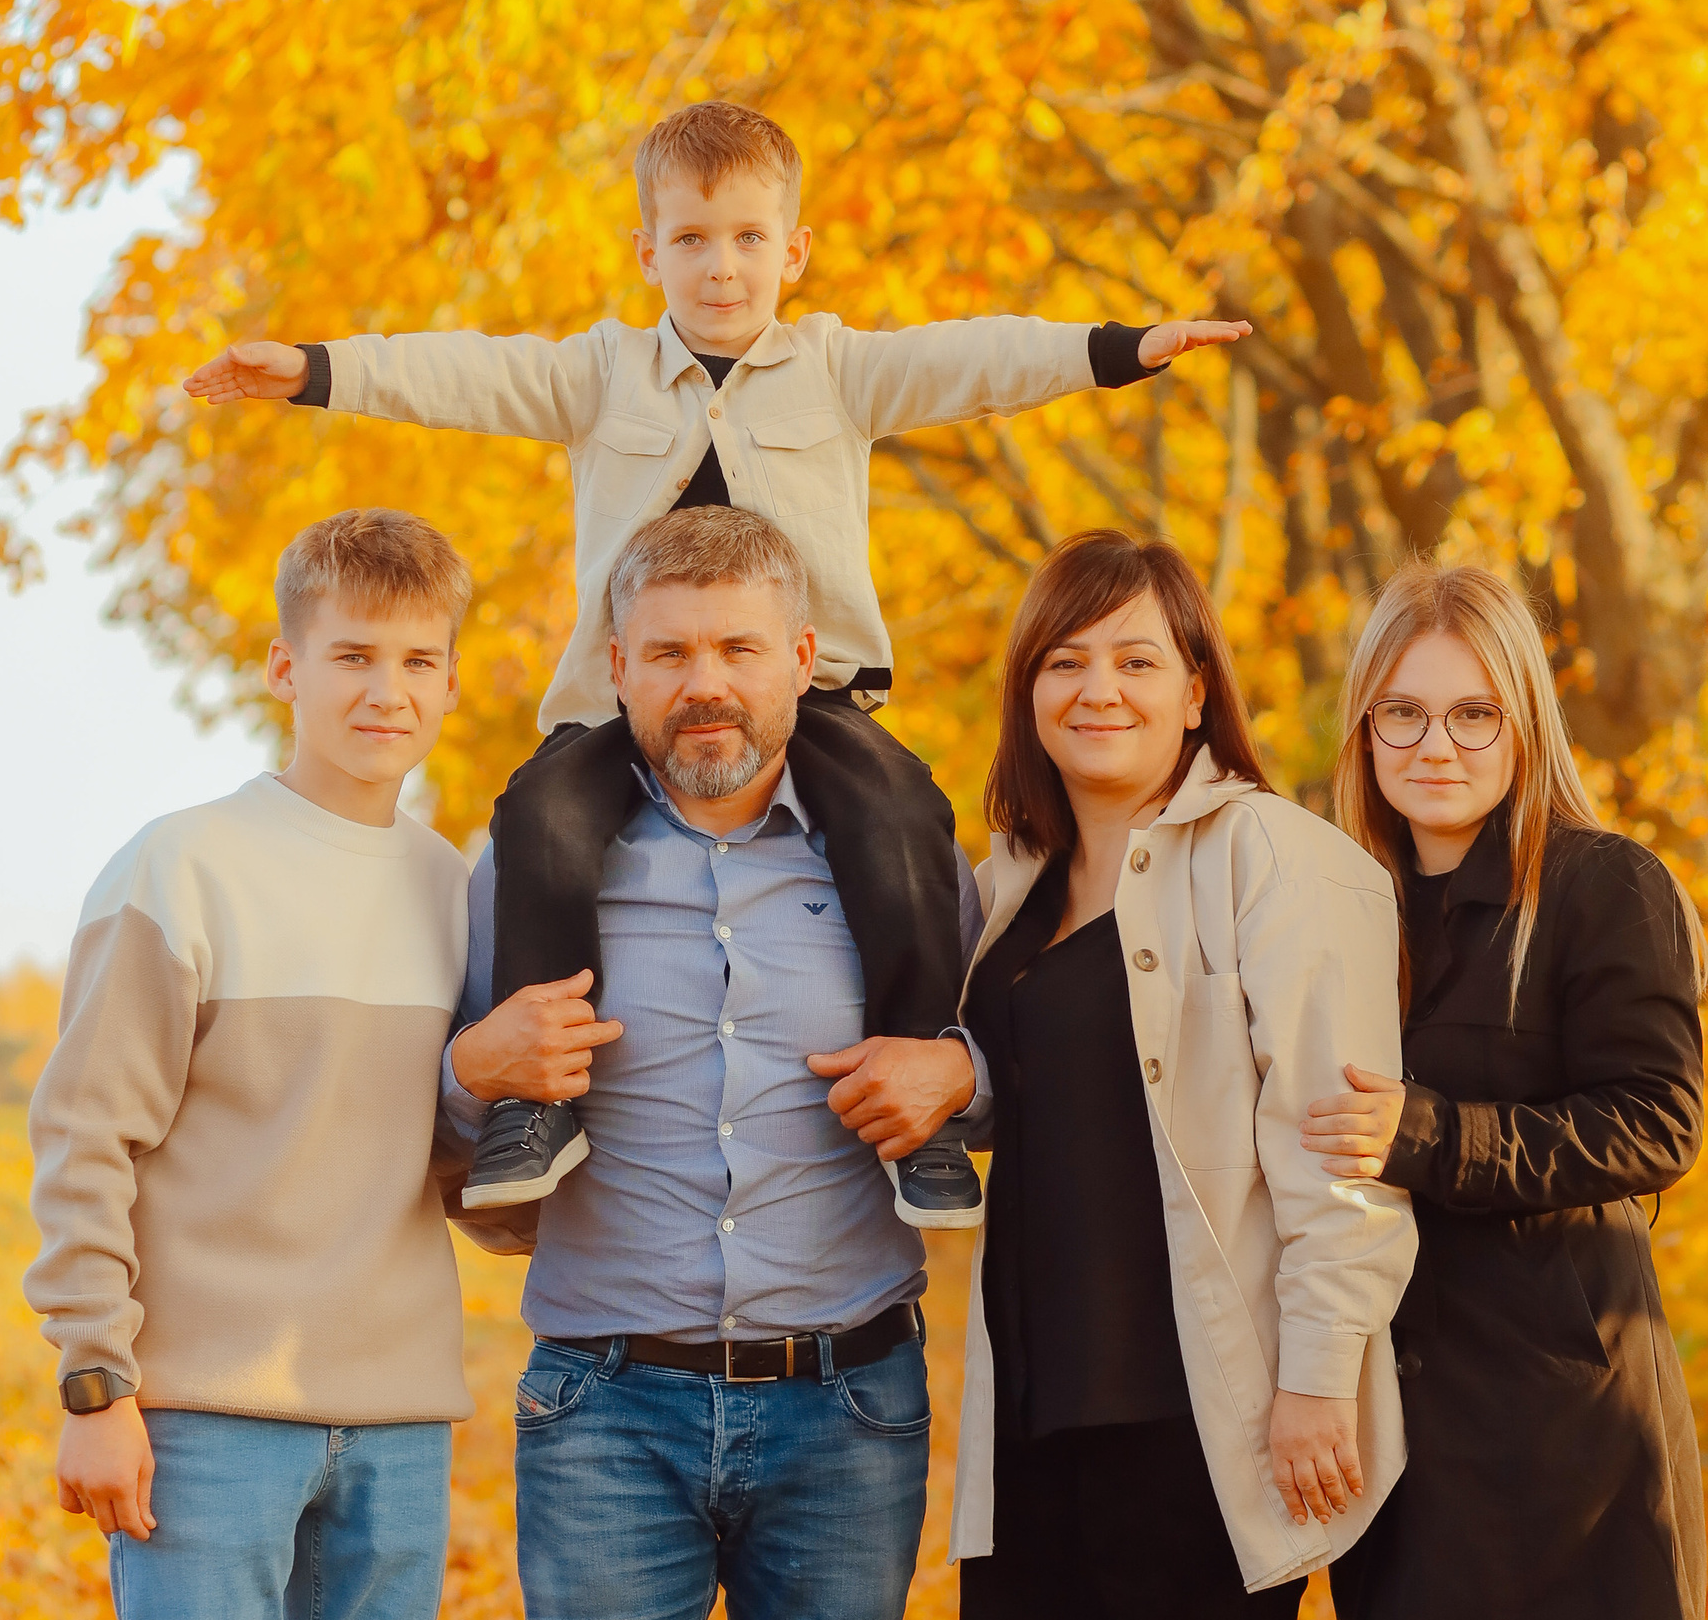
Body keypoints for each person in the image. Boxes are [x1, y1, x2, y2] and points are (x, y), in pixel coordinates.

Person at [186, 97, 1246, 1219]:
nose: (722, 267)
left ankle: (911, 1089)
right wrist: (308, 369)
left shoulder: (838, 370)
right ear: (648, 252)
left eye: (748, 239)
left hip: (814, 700)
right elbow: (458, 374)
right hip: (622, 706)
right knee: (537, 817)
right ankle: (539, 1105)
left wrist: (1125, 350)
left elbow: (975, 359)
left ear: (793, 249)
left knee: (901, 818)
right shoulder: (600, 374)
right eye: (690, 240)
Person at [435, 504, 987, 1620]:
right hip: (609, 1404)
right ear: (617, 669)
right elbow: (445, 1119)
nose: (705, 685)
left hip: (848, 1401)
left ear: (802, 657)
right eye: (669, 652)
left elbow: (995, 1048)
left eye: (741, 646)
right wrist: (475, 1066)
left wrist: (955, 1066)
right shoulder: (532, 863)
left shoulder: (894, 856)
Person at [26, 511, 489, 1620]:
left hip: (393, 1417)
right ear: (286, 668)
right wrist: (96, 1375)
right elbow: (89, 1136)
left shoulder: (462, 894)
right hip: (203, 1414)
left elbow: (473, 1158)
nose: (387, 689)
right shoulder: (184, 868)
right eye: (353, 657)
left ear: (450, 682)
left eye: (419, 661)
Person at [949, 532, 1417, 1620]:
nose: (1101, 690)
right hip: (1037, 1416)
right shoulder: (1003, 891)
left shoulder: (1280, 867)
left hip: (1207, 1416)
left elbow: (1342, 1156)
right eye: (1068, 661)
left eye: (1138, 659)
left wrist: (1317, 1377)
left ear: (1200, 684)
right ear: (1031, 689)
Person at [1300, 562, 1708, 1620]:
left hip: (1548, 1398)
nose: (1437, 743)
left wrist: (1429, 1138)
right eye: (1406, 714)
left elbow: (1651, 1126)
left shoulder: (1604, 889)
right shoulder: (1338, 902)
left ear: (1524, 718)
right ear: (1366, 729)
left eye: (1471, 712)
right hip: (1385, 1393)